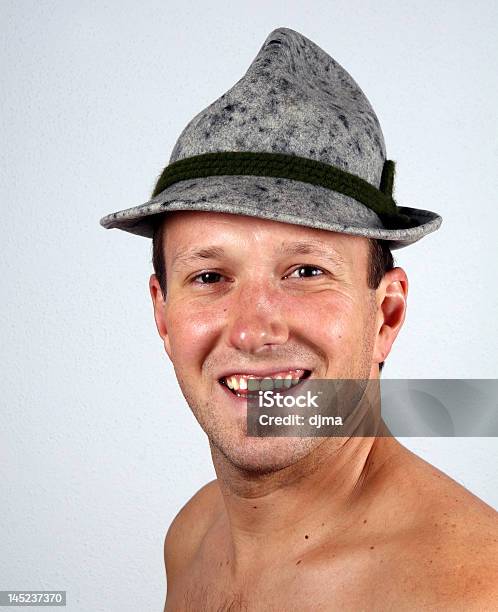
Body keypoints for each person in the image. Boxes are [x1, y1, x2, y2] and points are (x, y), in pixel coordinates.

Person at [100, 27, 498, 611]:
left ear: (385, 314)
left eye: (305, 272)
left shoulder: (467, 590)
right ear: (163, 313)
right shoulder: (190, 537)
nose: (252, 331)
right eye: (210, 277)